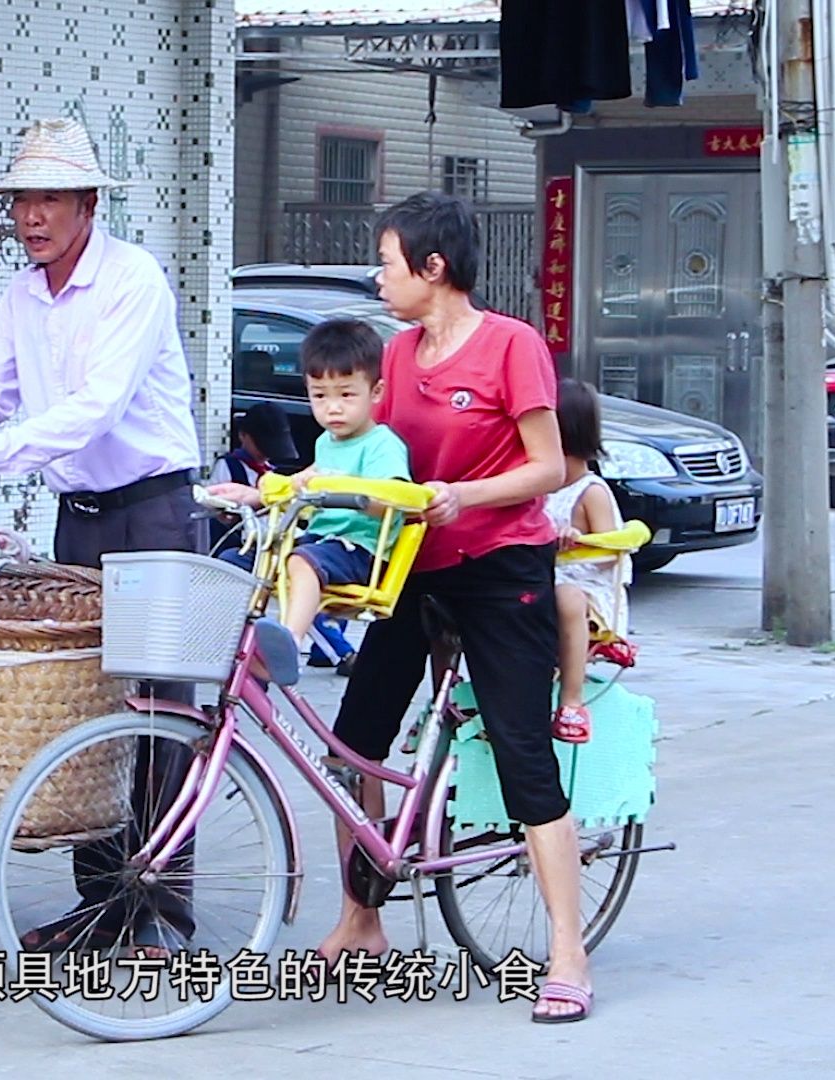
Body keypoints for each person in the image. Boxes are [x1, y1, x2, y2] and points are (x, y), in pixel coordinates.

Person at [0, 117, 202, 958]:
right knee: (91, 715)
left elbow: (94, 408)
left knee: (162, 716)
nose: (33, 216)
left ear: (88, 204)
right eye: (24, 200)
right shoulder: (22, 294)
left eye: (51, 199)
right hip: (84, 520)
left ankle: (162, 914)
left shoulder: (133, 280)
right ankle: (102, 906)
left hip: (155, 515)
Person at [313, 192, 595, 1024]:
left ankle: (568, 952)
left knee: (520, 756)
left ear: (432, 270)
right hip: (410, 566)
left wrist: (462, 497)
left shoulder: (512, 346)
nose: (378, 277)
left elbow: (549, 467)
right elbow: (367, 451)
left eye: (388, 262)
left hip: (501, 566)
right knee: (355, 745)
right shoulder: (395, 356)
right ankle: (361, 919)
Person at [208, 318, 410, 648]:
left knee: (301, 561)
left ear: (376, 392)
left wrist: (344, 488)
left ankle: (290, 639)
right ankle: (232, 645)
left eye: (346, 394)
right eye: (319, 396)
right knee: (235, 561)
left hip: (358, 549)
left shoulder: (381, 444)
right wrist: (256, 494)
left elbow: (395, 497)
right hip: (320, 540)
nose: (333, 408)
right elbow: (302, 483)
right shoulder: (326, 443)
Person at [546, 377, 632, 744]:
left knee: (568, 597)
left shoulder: (590, 492)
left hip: (589, 592)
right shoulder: (537, 486)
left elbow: (611, 554)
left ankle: (571, 701)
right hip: (540, 577)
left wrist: (580, 541)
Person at [207, 402, 299, 557]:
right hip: (242, 540)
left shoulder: (274, 470)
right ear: (243, 435)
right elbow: (215, 511)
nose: (265, 454)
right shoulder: (229, 466)